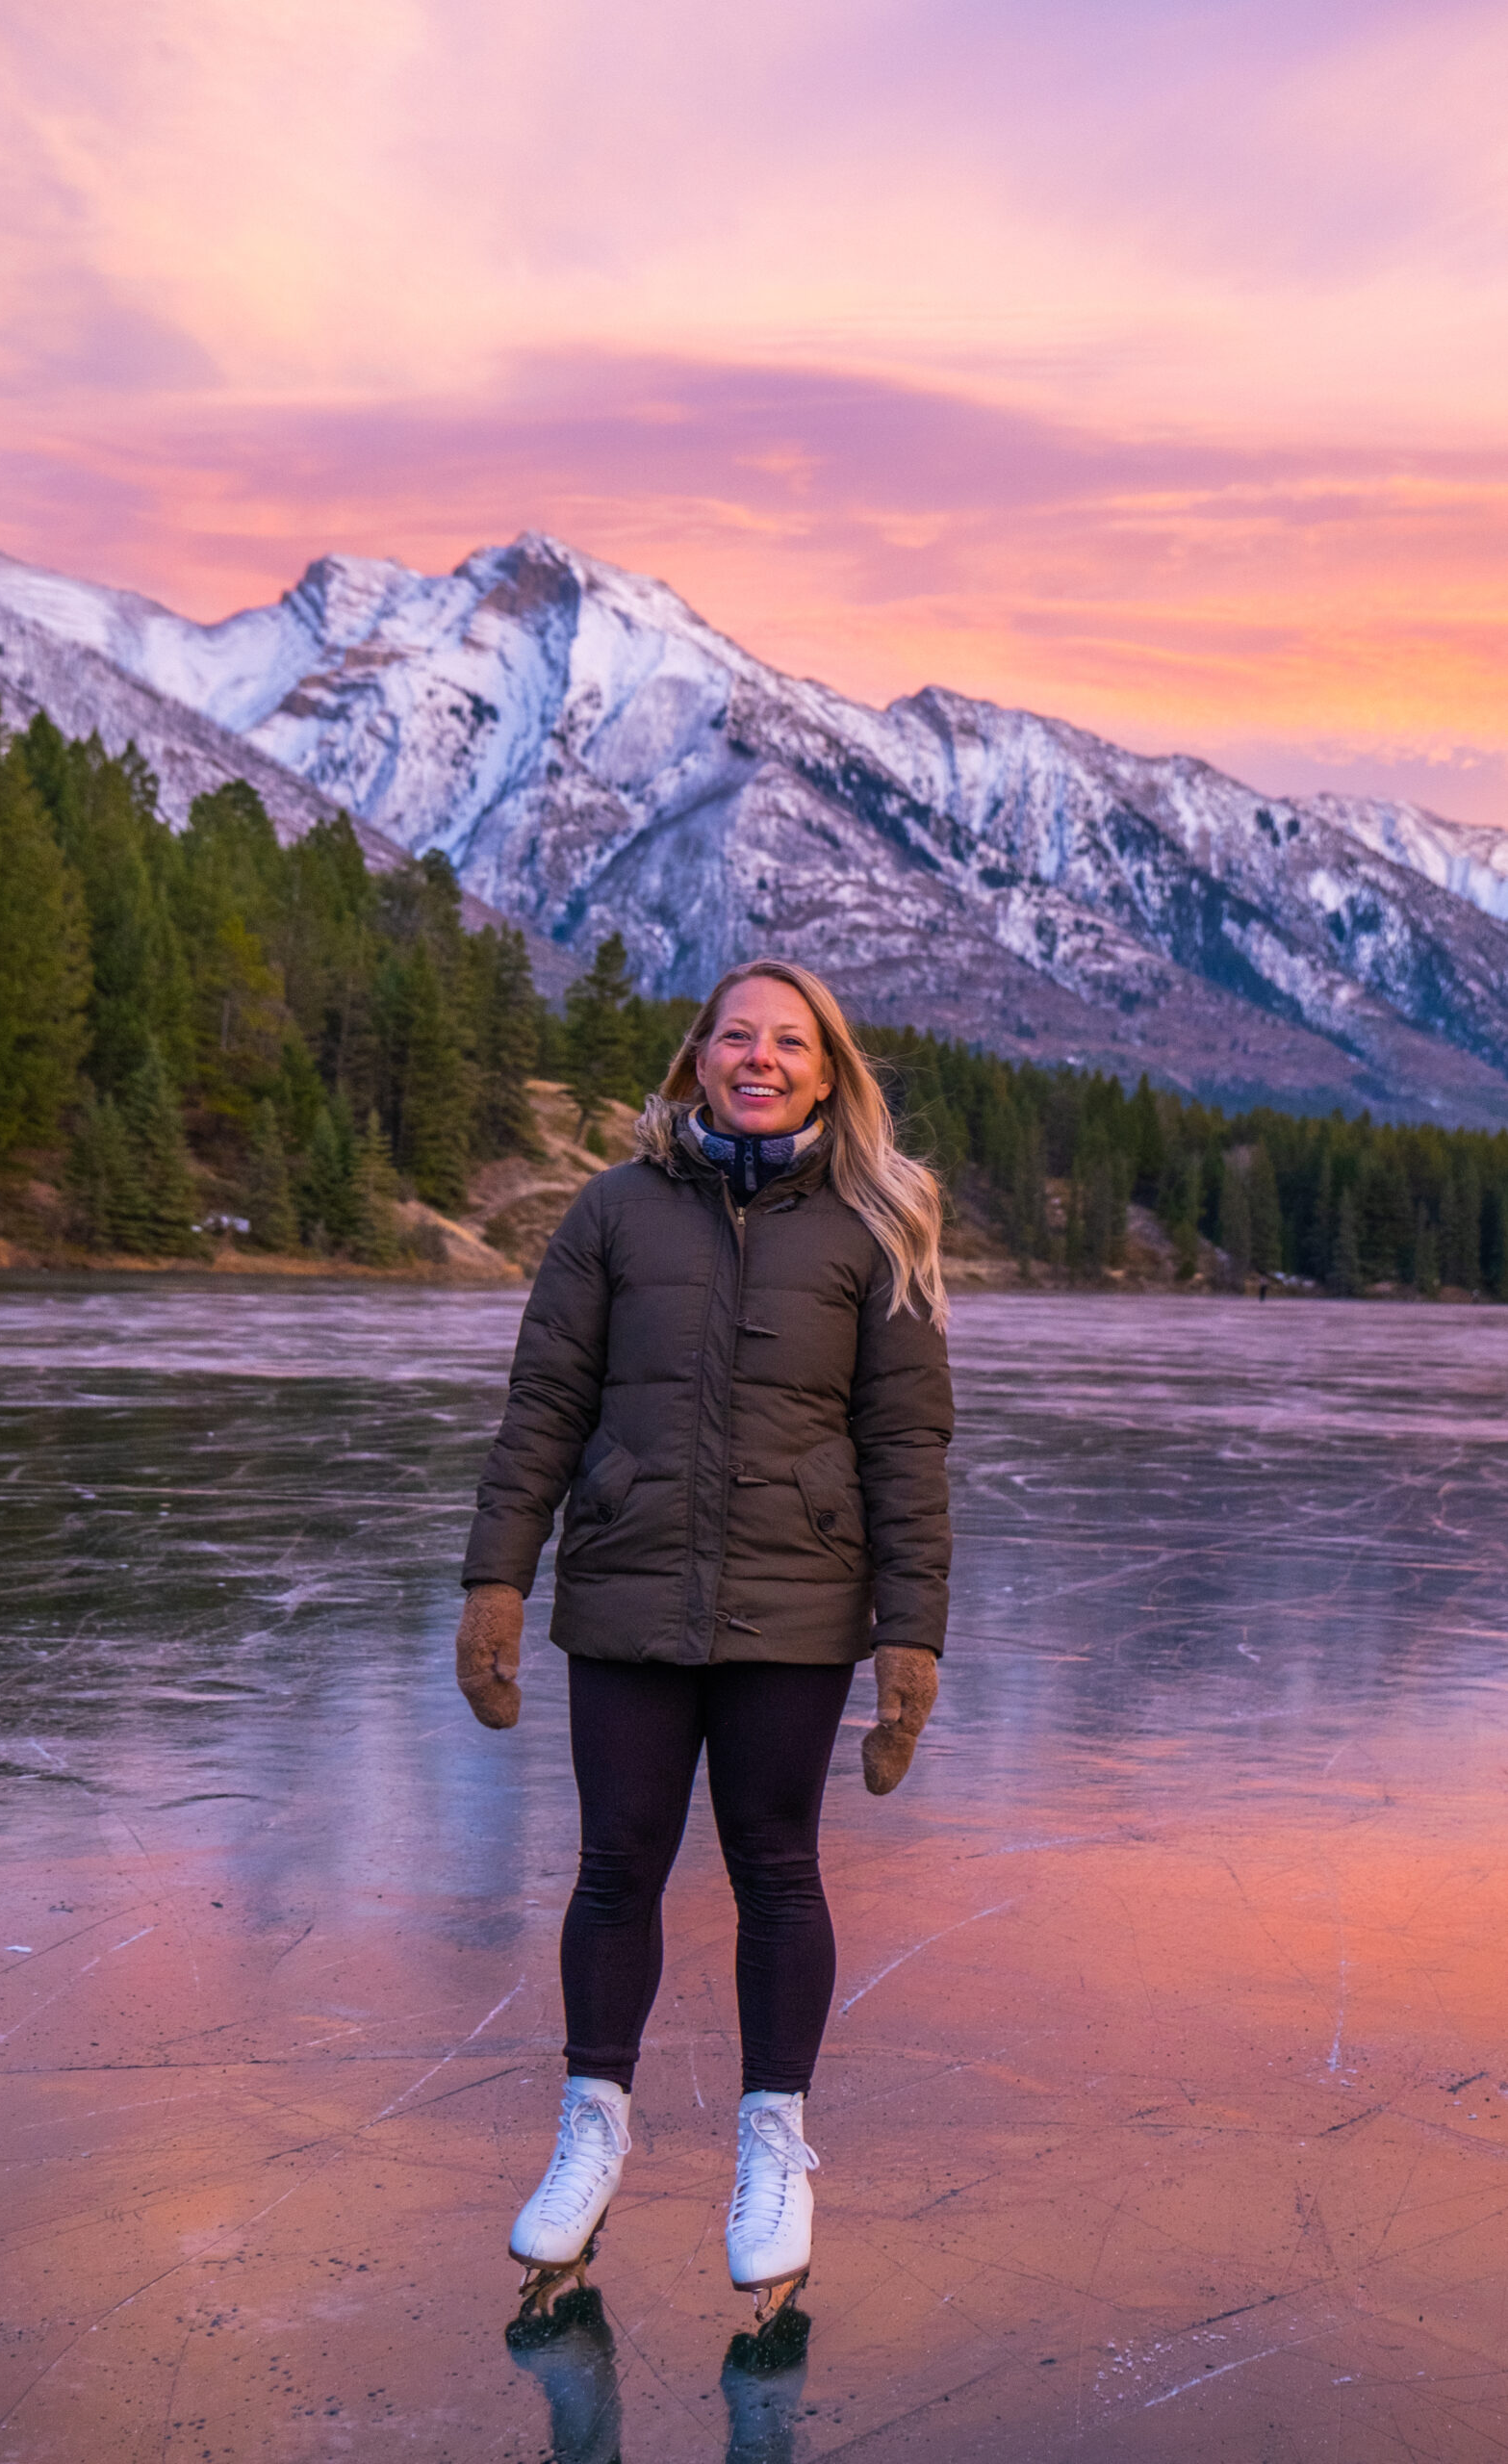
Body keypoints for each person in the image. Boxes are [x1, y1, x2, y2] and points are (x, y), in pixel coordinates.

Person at [453, 958, 955, 2330]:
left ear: (829, 1071)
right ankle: (591, 2127)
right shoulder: (613, 1212)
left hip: (796, 1606)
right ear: (696, 1061)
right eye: (737, 1036)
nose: (761, 1058)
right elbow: (543, 1402)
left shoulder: (875, 1229)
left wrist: (910, 1635)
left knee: (777, 1874)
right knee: (617, 1865)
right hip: (627, 1590)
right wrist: (496, 1579)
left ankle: (774, 2145)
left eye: (790, 1042)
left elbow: (907, 1449)